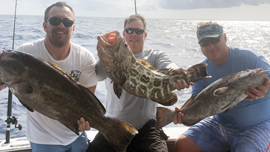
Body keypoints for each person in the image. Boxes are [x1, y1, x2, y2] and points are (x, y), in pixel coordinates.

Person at [86, 14, 191, 152]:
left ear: (145, 35)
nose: (134, 34)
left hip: (146, 128)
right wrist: (104, 53)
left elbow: (167, 65)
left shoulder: (154, 56)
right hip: (113, 127)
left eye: (139, 31)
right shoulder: (109, 60)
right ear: (124, 34)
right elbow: (97, 76)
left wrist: (177, 72)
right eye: (129, 30)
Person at [0, 2, 96, 152]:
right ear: (45, 25)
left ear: (73, 28)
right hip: (43, 139)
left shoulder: (84, 57)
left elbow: (88, 98)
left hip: (77, 134)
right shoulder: (25, 52)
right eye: (55, 21)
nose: (61, 26)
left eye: (67, 22)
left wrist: (89, 120)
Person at [174, 21, 270, 152]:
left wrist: (265, 92)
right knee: (183, 144)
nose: (211, 45)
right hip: (219, 124)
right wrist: (184, 114)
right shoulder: (200, 72)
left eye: (214, 39)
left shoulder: (251, 58)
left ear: (224, 37)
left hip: (257, 125)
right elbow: (196, 103)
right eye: (204, 42)